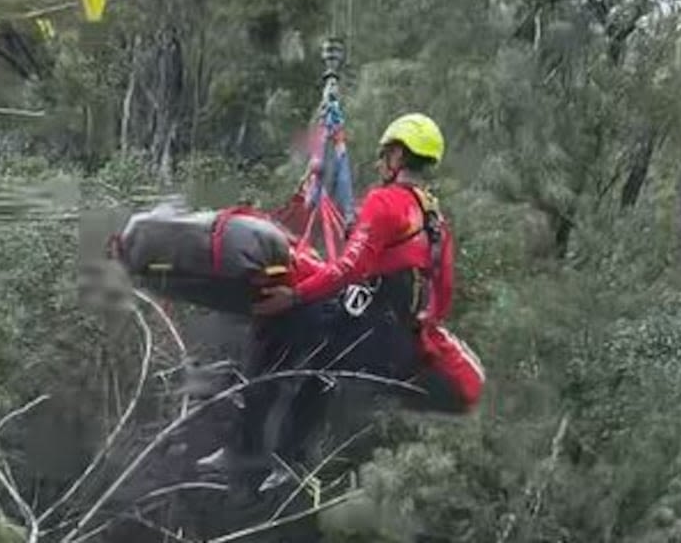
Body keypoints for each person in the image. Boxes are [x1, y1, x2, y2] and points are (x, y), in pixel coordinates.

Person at [197, 113, 484, 492]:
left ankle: (246, 449)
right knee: (322, 367)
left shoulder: (386, 202)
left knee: (276, 327)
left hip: (368, 323)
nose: (381, 164)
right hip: (396, 340)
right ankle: (287, 461)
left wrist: (294, 295)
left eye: (385, 156)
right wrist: (422, 334)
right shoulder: (435, 218)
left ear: (398, 156)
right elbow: (443, 291)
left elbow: (348, 268)